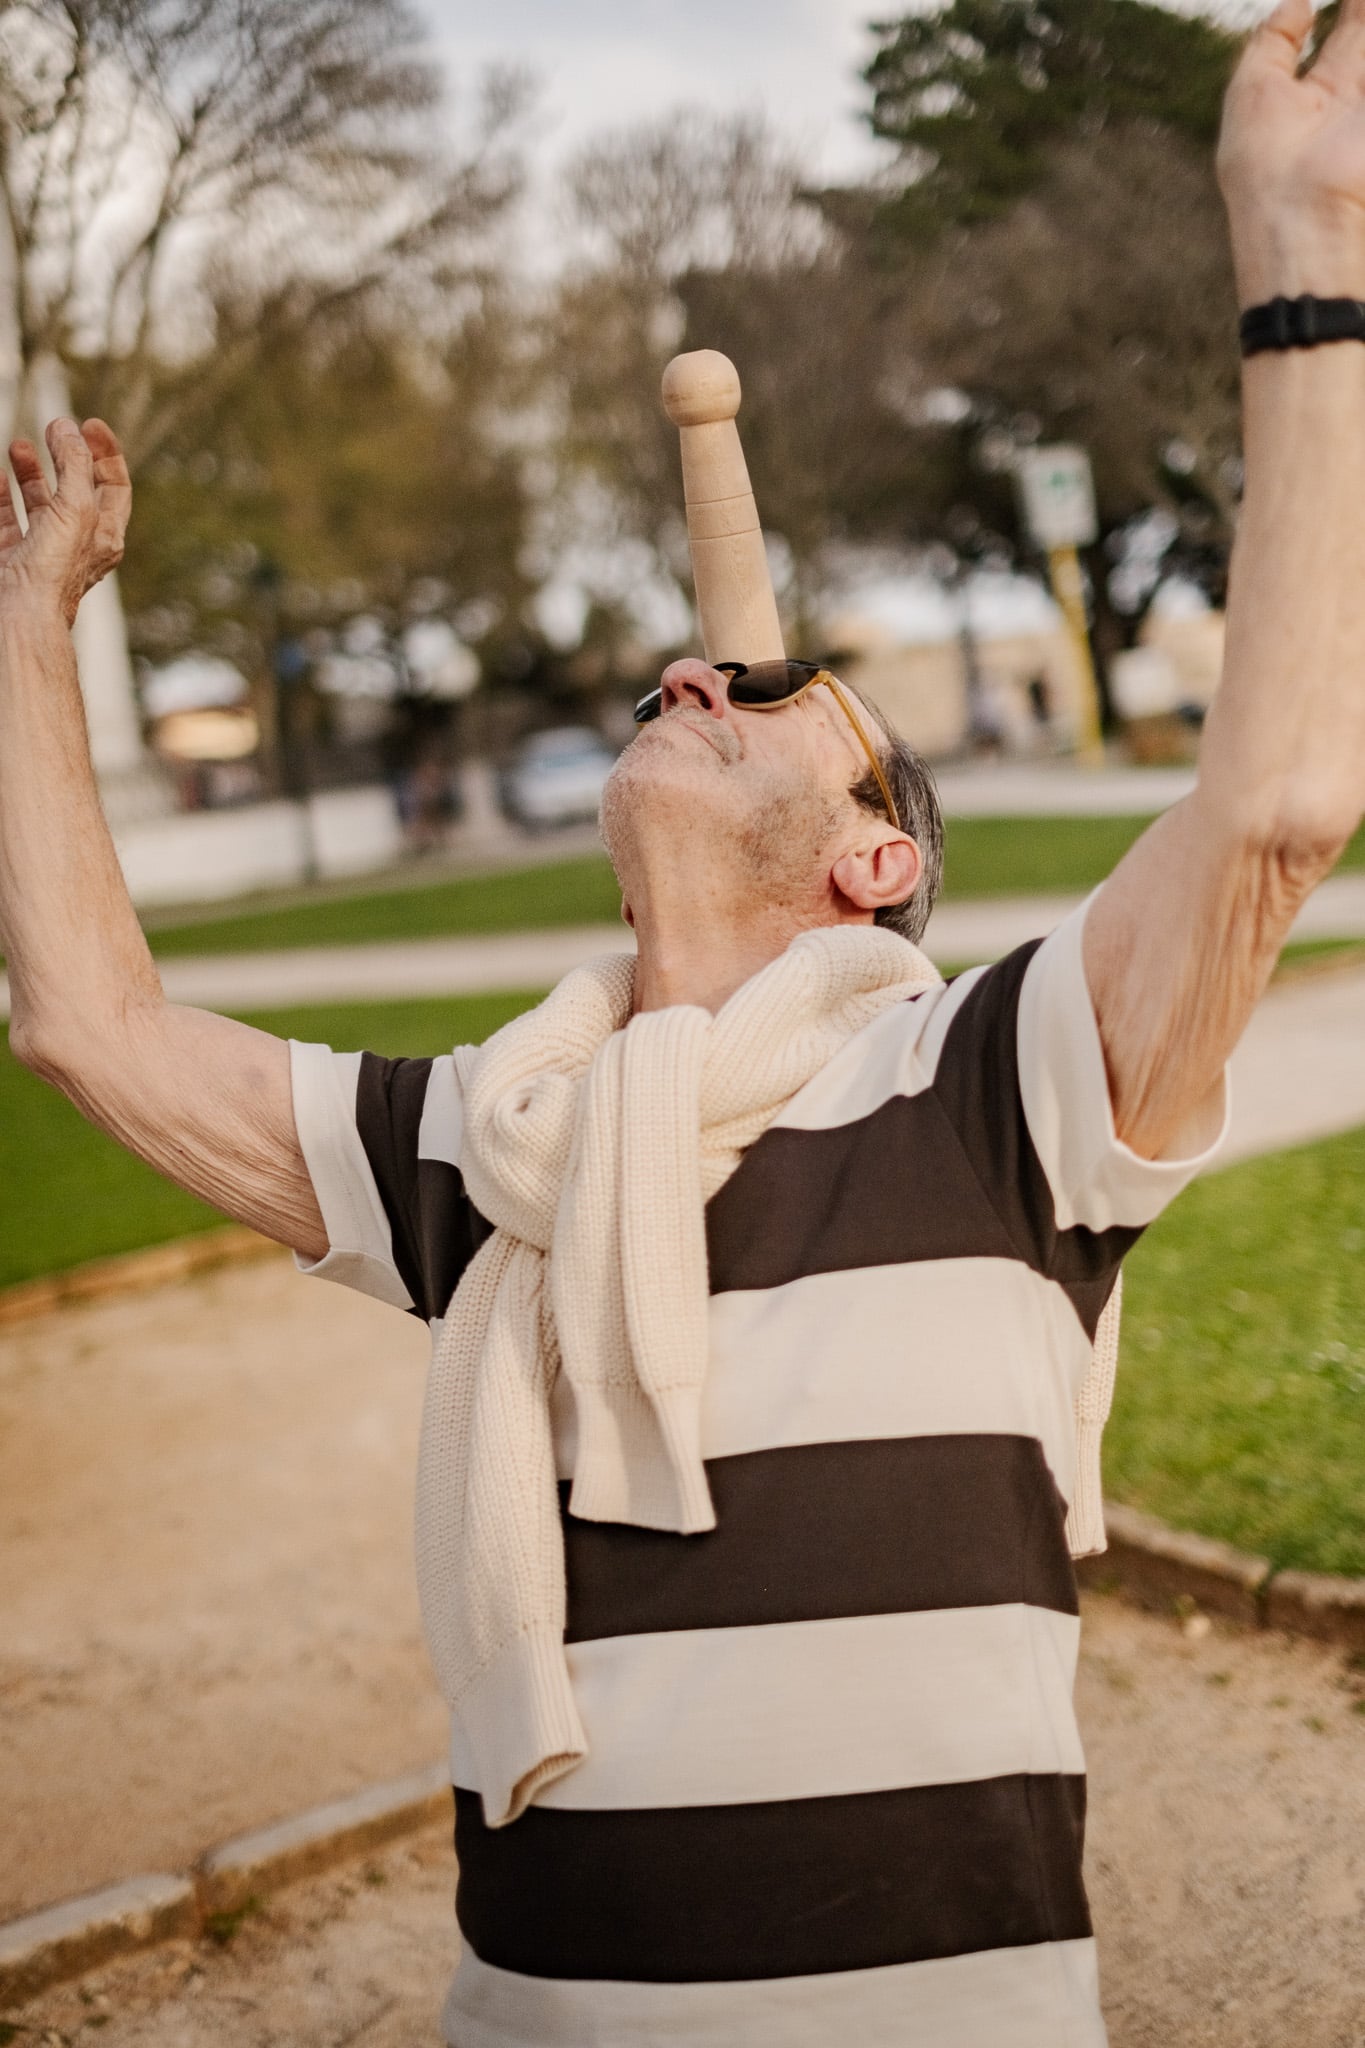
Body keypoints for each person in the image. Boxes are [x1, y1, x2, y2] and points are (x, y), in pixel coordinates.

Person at [0, 5, 1361, 2036]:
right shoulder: (493, 1146)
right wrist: (26, 632)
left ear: (875, 861)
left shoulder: (990, 1091)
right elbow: (88, 1023)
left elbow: (1273, 811)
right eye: (687, 683)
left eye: (770, 696)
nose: (688, 674)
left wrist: (1304, 257)